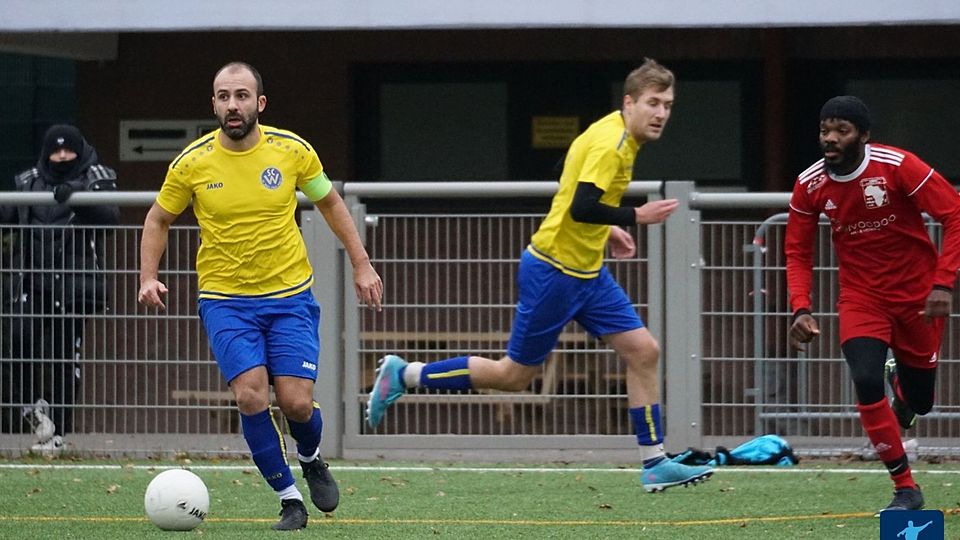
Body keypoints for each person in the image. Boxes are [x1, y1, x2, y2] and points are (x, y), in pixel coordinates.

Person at [366, 58, 714, 493]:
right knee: (514, 375)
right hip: (553, 271)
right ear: (629, 103)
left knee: (643, 351)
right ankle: (404, 375)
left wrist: (608, 230)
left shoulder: (612, 132)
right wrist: (633, 216)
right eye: (653, 103)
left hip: (588, 273)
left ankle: (653, 461)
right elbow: (581, 205)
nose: (661, 113)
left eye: (668, 104)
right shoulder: (611, 143)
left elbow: (563, 176)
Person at [138, 61, 383, 531]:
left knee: (295, 404)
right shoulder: (191, 162)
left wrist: (361, 263)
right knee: (251, 397)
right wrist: (148, 275)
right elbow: (158, 219)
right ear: (213, 104)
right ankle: (290, 499)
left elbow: (330, 202)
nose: (233, 105)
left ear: (259, 103)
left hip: (290, 297)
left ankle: (311, 459)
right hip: (225, 301)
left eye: (242, 96)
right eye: (224, 96)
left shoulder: (292, 152)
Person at [785, 95, 960, 513]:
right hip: (862, 297)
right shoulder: (809, 184)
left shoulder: (898, 166)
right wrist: (800, 307)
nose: (830, 139)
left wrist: (943, 284)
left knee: (920, 402)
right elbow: (797, 251)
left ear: (863, 136)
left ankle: (903, 387)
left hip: (918, 298)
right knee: (864, 378)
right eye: (825, 130)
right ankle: (905, 488)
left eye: (841, 131)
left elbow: (954, 214)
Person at [0, 124, 119, 455]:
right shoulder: (28, 181)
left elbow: (110, 218)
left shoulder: (97, 175)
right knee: (18, 344)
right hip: (31, 284)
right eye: (56, 151)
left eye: (68, 151)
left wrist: (79, 199)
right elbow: (7, 214)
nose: (62, 157)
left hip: (74, 288)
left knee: (66, 359)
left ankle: (59, 434)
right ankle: (32, 412)